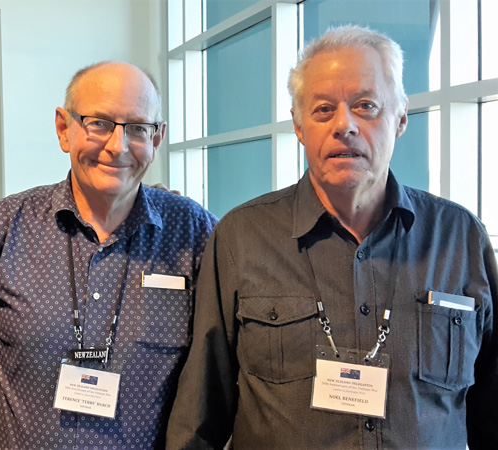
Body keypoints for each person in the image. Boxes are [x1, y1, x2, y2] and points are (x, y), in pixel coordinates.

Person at [166, 25, 498, 449]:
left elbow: (490, 405)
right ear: (299, 126)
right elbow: (199, 417)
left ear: (400, 119)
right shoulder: (241, 238)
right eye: (323, 110)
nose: (345, 125)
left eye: (366, 106)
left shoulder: (460, 237)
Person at [0, 61, 217, 449]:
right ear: (64, 128)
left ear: (157, 139)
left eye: (138, 128)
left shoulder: (194, 234)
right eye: (100, 123)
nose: (117, 146)